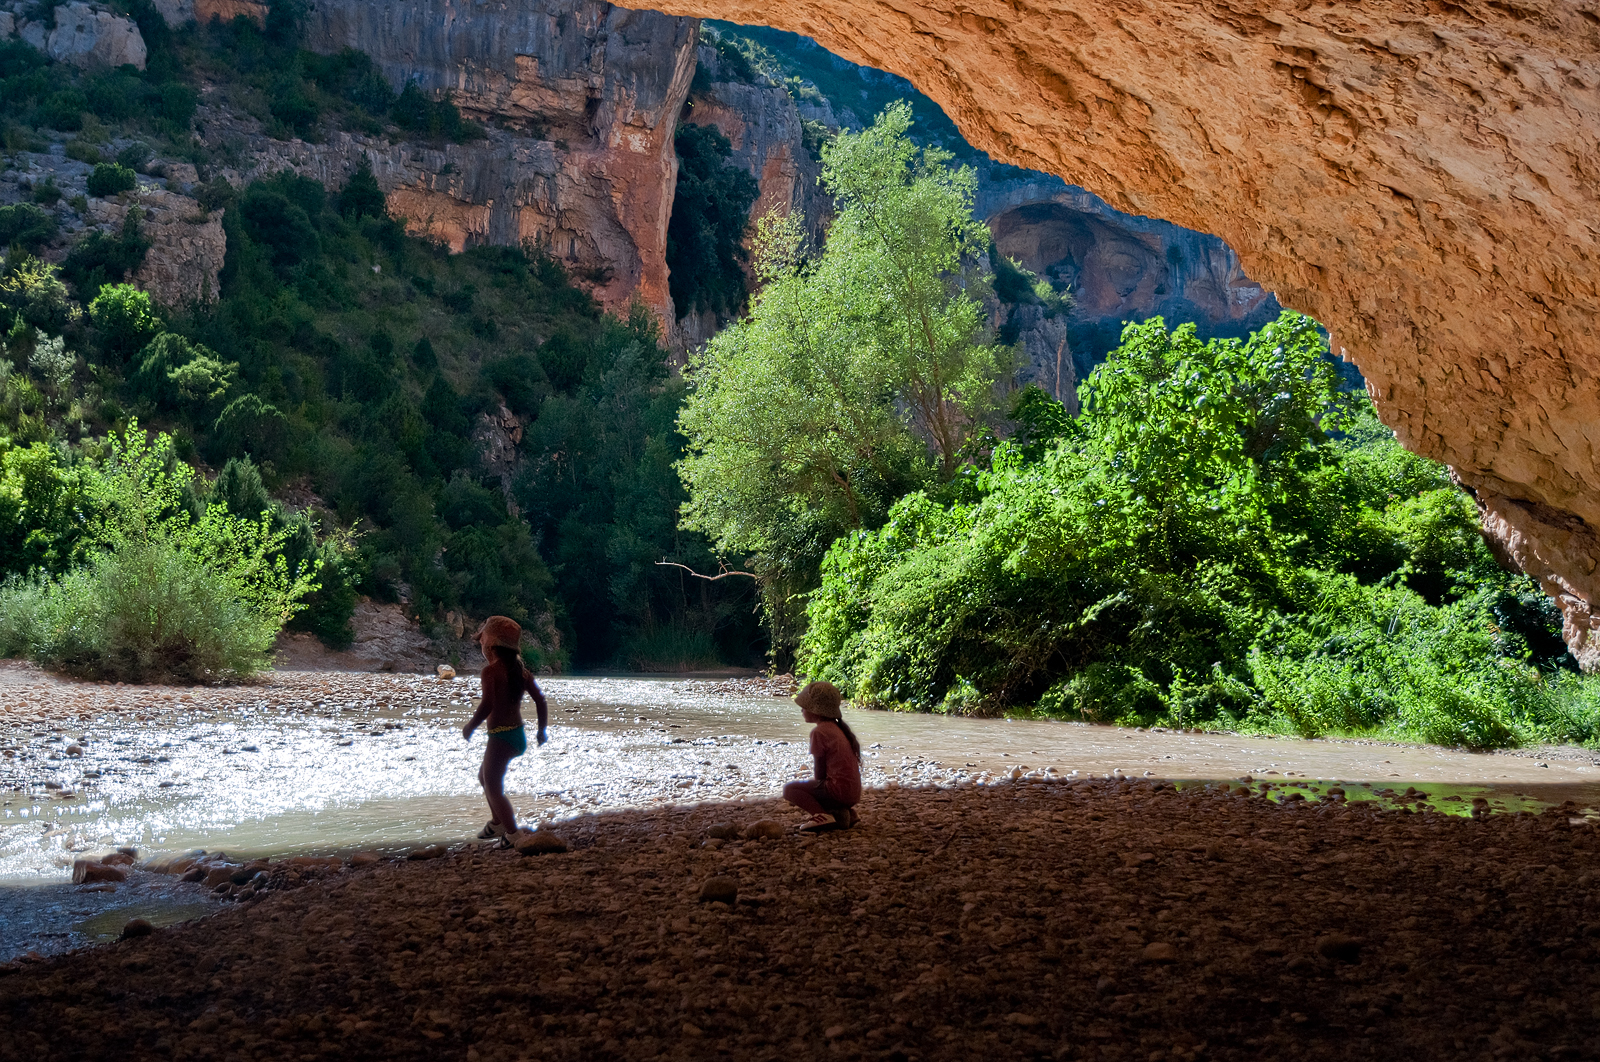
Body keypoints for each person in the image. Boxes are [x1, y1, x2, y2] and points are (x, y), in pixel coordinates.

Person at [461, 615, 548, 841]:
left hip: (501, 737)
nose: (480, 645)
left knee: (492, 786)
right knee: (484, 777)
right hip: (517, 736)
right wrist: (541, 731)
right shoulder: (522, 672)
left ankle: (512, 834)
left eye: (482, 641)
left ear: (490, 645)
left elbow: (487, 704)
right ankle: (497, 822)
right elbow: (540, 700)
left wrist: (470, 726)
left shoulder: (490, 672)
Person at [781, 680, 862, 833]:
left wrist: (812, 791)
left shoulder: (819, 732)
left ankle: (822, 816)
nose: (802, 711)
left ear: (815, 710)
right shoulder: (837, 728)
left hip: (839, 793)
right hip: (853, 793)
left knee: (790, 789)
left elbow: (820, 773)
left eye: (804, 707)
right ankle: (847, 814)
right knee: (816, 788)